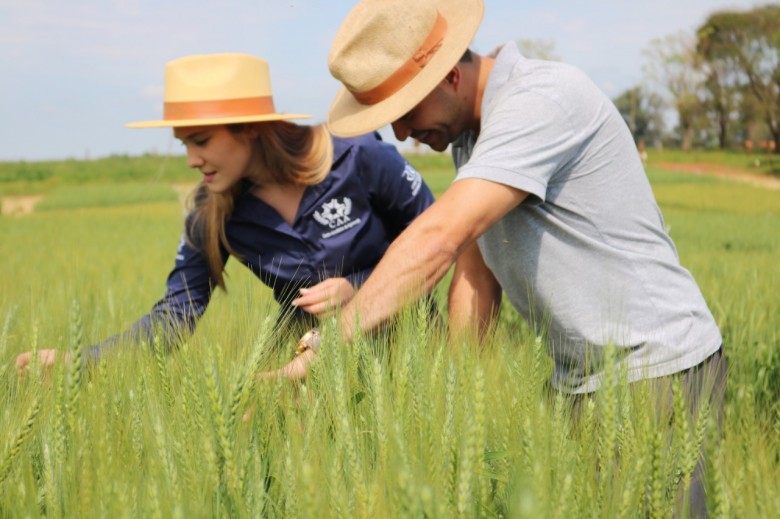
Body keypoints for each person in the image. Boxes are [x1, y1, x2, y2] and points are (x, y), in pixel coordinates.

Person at [274, 1, 726, 515]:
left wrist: (330, 344)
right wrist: (453, 400)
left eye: (405, 111)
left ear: (449, 75)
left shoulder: (539, 100)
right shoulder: (471, 135)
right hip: (577, 382)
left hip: (655, 370)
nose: (400, 134)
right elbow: (475, 269)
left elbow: (440, 237)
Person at [15, 52, 434, 370]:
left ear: (250, 128)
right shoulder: (210, 213)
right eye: (184, 144)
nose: (190, 160)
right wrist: (80, 361)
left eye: (200, 141)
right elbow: (175, 315)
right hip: (303, 365)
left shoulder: (358, 156)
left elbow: (436, 237)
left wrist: (358, 287)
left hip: (413, 349)